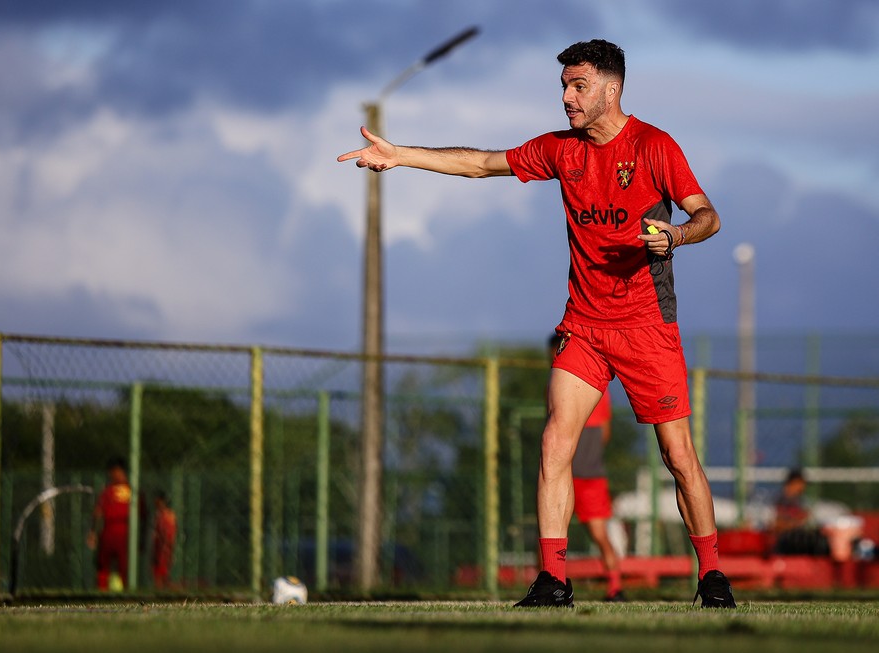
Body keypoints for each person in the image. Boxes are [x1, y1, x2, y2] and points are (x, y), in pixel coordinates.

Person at [338, 39, 735, 608]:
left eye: (579, 86)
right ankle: (554, 580)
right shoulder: (561, 151)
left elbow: (708, 216)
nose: (568, 98)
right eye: (564, 87)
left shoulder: (655, 146)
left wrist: (674, 235)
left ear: (611, 89)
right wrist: (400, 155)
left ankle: (713, 576)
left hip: (648, 326)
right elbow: (480, 164)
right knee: (554, 444)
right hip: (586, 326)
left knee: (678, 456)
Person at [548, 333, 624, 601]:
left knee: (589, 533)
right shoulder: (592, 390)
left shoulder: (574, 387)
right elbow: (604, 432)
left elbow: (598, 431)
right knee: (555, 531)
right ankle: (551, 582)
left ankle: (614, 586)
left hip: (583, 474)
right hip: (582, 472)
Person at [87, 456, 144, 591]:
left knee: (124, 567)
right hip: (110, 532)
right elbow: (98, 512)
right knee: (104, 565)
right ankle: (102, 592)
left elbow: (142, 516)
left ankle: (126, 594)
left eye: (114, 471)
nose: (112, 474)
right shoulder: (109, 491)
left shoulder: (132, 492)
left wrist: (140, 538)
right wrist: (94, 532)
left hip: (126, 533)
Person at [772, 469, 829, 556]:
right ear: (793, 483)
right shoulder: (780, 500)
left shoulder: (800, 501)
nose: (803, 487)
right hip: (784, 543)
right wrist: (799, 521)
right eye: (801, 484)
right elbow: (776, 524)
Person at [151, 490, 178, 590]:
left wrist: (166, 545)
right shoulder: (158, 515)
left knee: (162, 572)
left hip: (164, 547)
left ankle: (163, 590)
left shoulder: (168, 515)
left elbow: (169, 534)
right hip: (158, 547)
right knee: (157, 571)